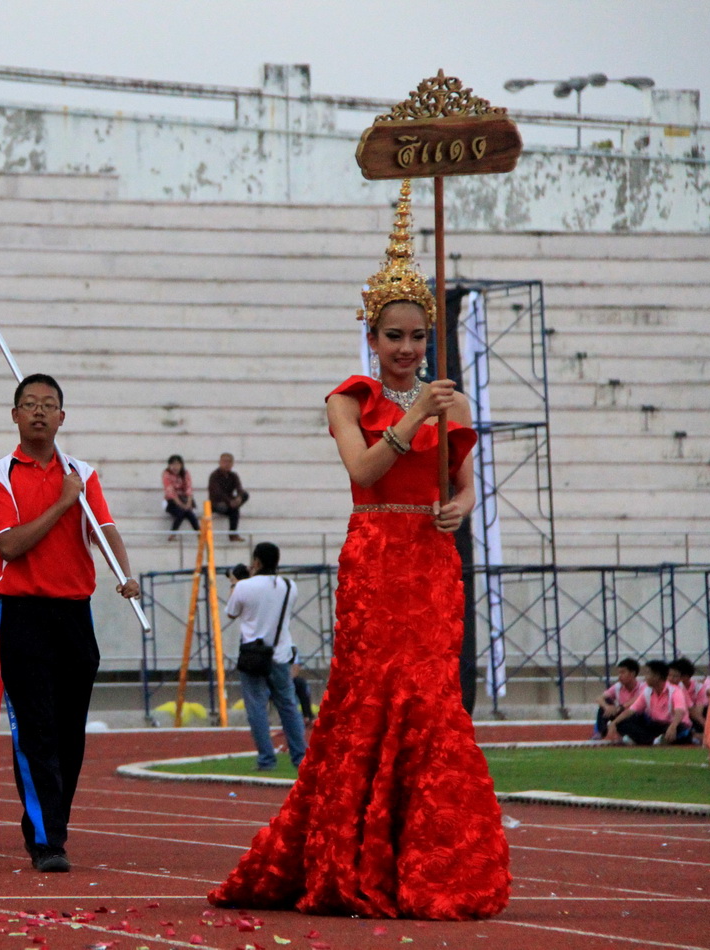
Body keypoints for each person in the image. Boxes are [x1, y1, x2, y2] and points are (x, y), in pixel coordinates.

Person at [210, 180, 509, 920]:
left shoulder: (454, 402)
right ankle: (354, 855)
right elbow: (364, 471)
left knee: (432, 700)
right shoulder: (349, 399)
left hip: (434, 560)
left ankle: (433, 861)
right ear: (371, 337)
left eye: (418, 338)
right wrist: (412, 423)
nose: (407, 351)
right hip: (377, 556)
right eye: (393, 337)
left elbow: (470, 488)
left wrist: (456, 509)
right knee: (371, 697)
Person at [0, 372, 139, 873]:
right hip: (24, 614)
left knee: (70, 734)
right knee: (36, 731)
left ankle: (53, 823)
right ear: (15, 415)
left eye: (49, 405)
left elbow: (105, 528)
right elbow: (9, 546)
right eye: (30, 404)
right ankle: (47, 839)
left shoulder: (82, 473)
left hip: (75, 614)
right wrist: (63, 502)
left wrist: (125, 573)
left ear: (62, 417)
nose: (40, 412)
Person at [227, 542, 306, 771]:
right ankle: (300, 757)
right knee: (288, 706)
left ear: (257, 561)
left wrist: (236, 583)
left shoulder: (244, 587)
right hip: (280, 653)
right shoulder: (290, 587)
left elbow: (232, 612)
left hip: (253, 655)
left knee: (257, 708)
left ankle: (266, 759)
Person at [606, 659, 690, 746]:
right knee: (624, 722)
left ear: (657, 676)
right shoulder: (647, 691)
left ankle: (644, 740)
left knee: (682, 730)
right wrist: (614, 723)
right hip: (654, 725)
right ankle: (654, 741)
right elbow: (631, 710)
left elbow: (680, 711)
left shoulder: (675, 691)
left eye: (648, 673)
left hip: (672, 724)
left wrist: (673, 726)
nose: (645, 677)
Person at [593, 658, 644, 739]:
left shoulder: (643, 687)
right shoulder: (618, 686)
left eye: (623, 672)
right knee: (605, 703)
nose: (620, 676)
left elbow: (639, 699)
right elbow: (599, 698)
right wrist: (607, 707)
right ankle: (600, 733)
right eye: (619, 673)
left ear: (633, 674)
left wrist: (621, 707)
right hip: (621, 715)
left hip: (637, 717)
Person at [208, 452, 250, 542]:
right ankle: (233, 535)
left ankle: (233, 535)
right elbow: (217, 492)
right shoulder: (214, 475)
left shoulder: (233, 475)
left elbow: (239, 488)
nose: (227, 464)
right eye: (224, 462)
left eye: (229, 462)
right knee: (233, 509)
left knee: (245, 496)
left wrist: (239, 497)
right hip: (217, 503)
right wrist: (229, 501)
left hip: (230, 503)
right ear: (219, 462)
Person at [667, 657, 708, 740]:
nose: (671, 679)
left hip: (692, 717)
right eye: (669, 675)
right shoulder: (672, 688)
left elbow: (696, 712)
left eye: (676, 676)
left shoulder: (698, 688)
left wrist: (707, 727)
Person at [161, 455, 199, 532]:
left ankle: (199, 533)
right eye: (173, 464)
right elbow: (170, 492)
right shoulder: (166, 474)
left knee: (190, 514)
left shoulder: (185, 473)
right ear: (169, 465)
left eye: (178, 464)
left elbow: (189, 488)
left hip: (184, 499)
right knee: (181, 513)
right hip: (171, 501)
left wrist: (188, 503)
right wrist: (182, 505)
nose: (175, 467)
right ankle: (173, 533)